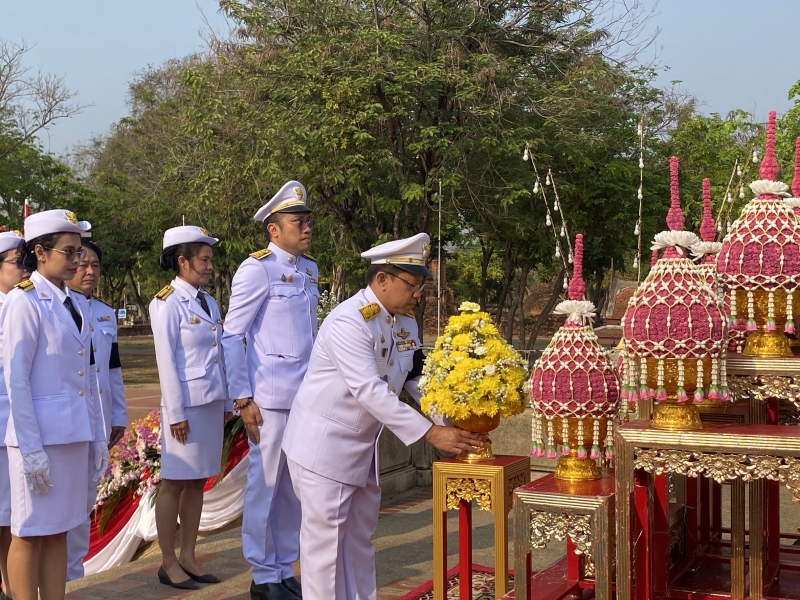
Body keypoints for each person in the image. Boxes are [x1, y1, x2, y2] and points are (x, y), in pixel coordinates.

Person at [283, 233, 483, 600]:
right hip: (322, 449)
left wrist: (448, 424)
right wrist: (430, 435)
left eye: (421, 285)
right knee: (324, 549)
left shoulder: (404, 324)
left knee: (359, 540)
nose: (418, 294)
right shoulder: (349, 322)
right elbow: (368, 390)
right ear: (382, 279)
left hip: (362, 449)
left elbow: (415, 380)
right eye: (413, 284)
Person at [220, 180, 319, 600]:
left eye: (308, 220)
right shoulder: (256, 269)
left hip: (305, 397)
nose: (306, 227)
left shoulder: (309, 270)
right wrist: (242, 398)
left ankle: (283, 566)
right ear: (273, 230)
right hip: (269, 400)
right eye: (297, 221)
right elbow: (231, 336)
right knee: (266, 486)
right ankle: (262, 573)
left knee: (293, 489)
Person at [2, 210, 108, 600]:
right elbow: (17, 381)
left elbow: (89, 378)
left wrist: (97, 437)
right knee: (29, 533)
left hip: (72, 436)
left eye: (79, 251)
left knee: (60, 529)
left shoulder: (76, 304)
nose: (78, 260)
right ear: (40, 252)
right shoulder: (23, 302)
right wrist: (30, 449)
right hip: (40, 441)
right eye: (69, 251)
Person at [149, 225, 231, 590]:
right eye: (203, 259)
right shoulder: (166, 302)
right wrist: (176, 413)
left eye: (210, 259)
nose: (209, 265)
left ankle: (188, 556)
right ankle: (168, 562)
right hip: (186, 407)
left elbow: (220, 353)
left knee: (198, 482)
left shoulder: (208, 300)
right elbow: (166, 361)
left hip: (210, 402)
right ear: (182, 261)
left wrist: (227, 400)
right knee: (174, 483)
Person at [65, 239, 128, 581]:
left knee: (85, 504)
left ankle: (73, 579)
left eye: (95, 266)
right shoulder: (58, 307)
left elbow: (113, 369)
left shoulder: (104, 312)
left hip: (99, 421)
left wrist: (118, 415)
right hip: (69, 423)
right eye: (83, 263)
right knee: (64, 508)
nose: (89, 271)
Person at [0, 231, 28, 600]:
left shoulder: (29, 304)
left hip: (23, 426)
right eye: (16, 262)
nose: (24, 268)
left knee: (14, 513)